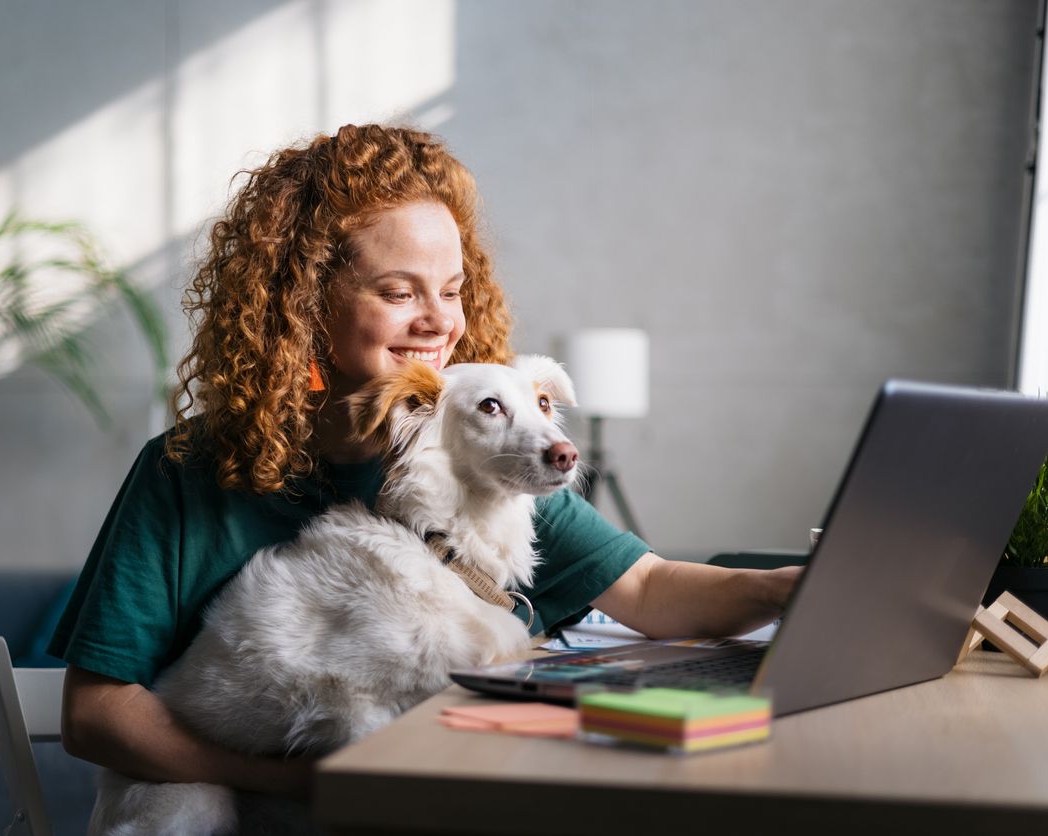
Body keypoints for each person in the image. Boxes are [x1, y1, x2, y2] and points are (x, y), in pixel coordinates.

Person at [50, 124, 801, 798]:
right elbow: (94, 713)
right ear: (304, 303)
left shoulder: (473, 451)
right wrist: (291, 783)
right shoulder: (184, 468)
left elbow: (648, 587)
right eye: (397, 291)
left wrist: (783, 589)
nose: (439, 320)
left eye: (450, 289)